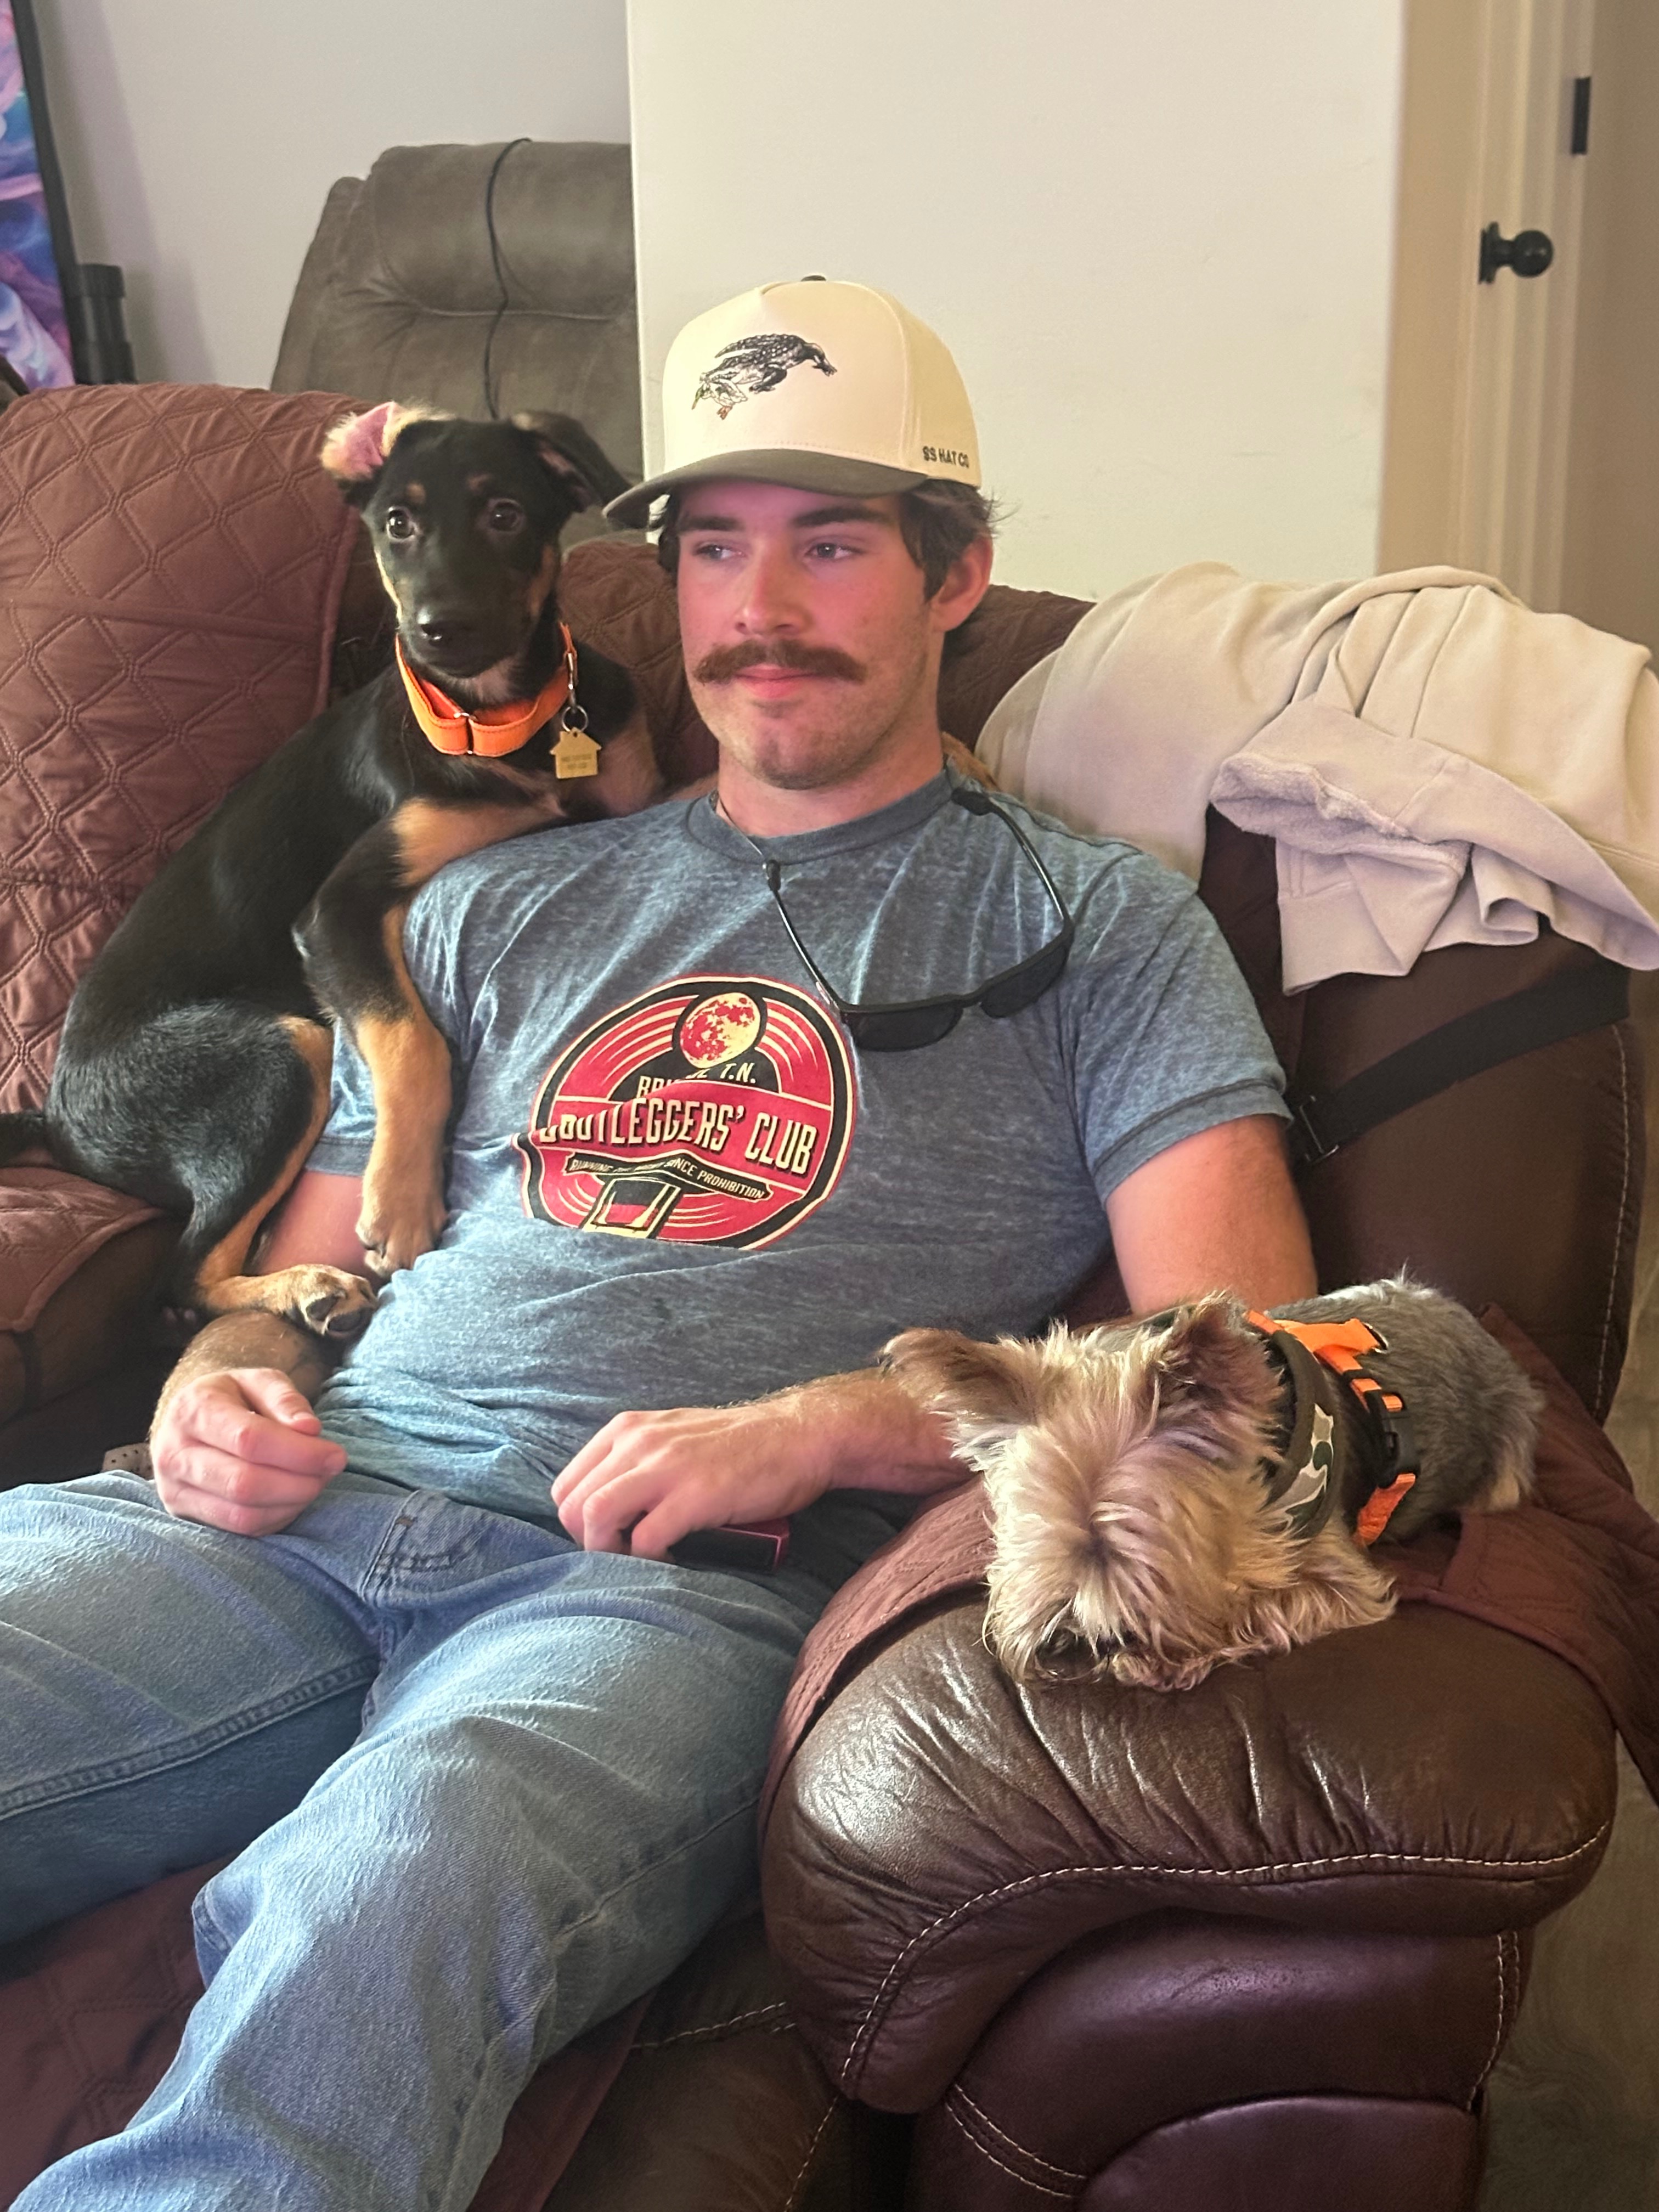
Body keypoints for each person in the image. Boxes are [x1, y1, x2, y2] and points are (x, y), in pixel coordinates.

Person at [4, 278, 1315, 2211]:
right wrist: (219, 1391)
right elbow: (295, 1290)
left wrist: (830, 1424)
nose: (759, 608)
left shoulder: (1097, 928)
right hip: (292, 1520)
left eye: (831, 545)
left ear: (956, 576)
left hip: (663, 1603)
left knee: (397, 1886)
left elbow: (1255, 1354)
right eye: (713, 549)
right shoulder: (500, 897)